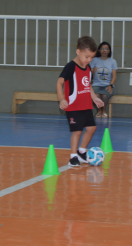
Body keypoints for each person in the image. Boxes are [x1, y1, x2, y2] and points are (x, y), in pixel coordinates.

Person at [56, 36, 104, 167]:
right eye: (87, 57)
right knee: (77, 131)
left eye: (91, 57)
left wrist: (95, 98)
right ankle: (73, 157)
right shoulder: (70, 67)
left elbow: (87, 86)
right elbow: (59, 83)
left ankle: (82, 152)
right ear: (78, 52)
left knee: (91, 128)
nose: (89, 60)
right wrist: (62, 99)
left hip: (86, 105)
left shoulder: (88, 68)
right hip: (73, 106)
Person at [90, 42, 117, 118]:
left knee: (105, 96)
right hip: (96, 84)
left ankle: (104, 110)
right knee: (97, 95)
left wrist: (110, 85)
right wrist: (93, 71)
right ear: (99, 50)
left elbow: (114, 76)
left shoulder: (113, 61)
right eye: (102, 49)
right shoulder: (94, 60)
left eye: (106, 49)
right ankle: (99, 111)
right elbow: (89, 75)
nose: (104, 50)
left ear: (109, 51)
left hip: (107, 84)